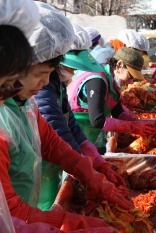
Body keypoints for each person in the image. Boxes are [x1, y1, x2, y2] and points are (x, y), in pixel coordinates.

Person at [0, 2, 131, 231]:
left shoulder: (24, 103)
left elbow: (50, 141)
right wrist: (71, 222)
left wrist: (88, 172)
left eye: (49, 75)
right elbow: (9, 213)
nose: (44, 83)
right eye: (40, 75)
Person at [35, 23, 127, 211]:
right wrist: (87, 171)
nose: (73, 73)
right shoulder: (43, 86)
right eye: (70, 67)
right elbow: (55, 126)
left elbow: (70, 124)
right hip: (38, 167)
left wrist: (95, 161)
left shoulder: (55, 83)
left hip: (55, 161)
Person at [67, 47, 156, 153]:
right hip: (72, 134)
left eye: (134, 79)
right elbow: (97, 120)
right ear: (119, 65)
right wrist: (132, 127)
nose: (131, 82)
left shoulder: (112, 84)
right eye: (130, 76)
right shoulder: (98, 81)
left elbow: (118, 113)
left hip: (88, 136)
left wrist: (140, 123)